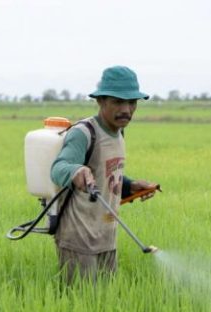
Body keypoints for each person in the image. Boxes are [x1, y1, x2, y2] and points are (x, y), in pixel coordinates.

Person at [50, 66, 156, 283]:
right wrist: (76, 170)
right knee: (82, 304)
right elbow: (58, 168)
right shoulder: (83, 133)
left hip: (107, 236)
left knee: (104, 302)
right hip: (79, 239)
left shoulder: (118, 132)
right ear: (101, 101)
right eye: (118, 102)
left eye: (132, 102)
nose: (126, 109)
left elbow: (105, 177)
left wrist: (131, 185)